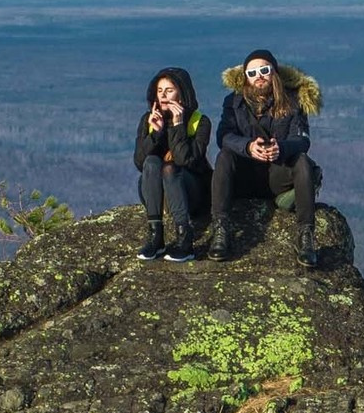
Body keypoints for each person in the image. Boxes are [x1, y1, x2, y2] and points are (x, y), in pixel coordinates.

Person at [210, 48, 324, 268]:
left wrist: (281, 148)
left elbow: (302, 140)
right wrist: (248, 147)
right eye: (252, 73)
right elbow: (223, 136)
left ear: (274, 72)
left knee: (302, 161)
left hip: (276, 175)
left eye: (264, 69)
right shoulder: (233, 102)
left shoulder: (293, 101)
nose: (258, 76)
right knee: (224, 156)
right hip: (245, 176)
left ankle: (306, 236)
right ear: (245, 77)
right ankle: (221, 229)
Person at [134, 66, 212, 260]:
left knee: (170, 168)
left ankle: (185, 240)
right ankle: (155, 237)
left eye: (169, 90)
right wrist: (157, 133)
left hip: (190, 193)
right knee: (152, 162)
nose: (163, 96)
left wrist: (178, 125)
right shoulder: (148, 120)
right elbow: (139, 163)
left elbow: (186, 160)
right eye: (160, 91)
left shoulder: (199, 121)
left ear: (181, 93)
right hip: (158, 196)